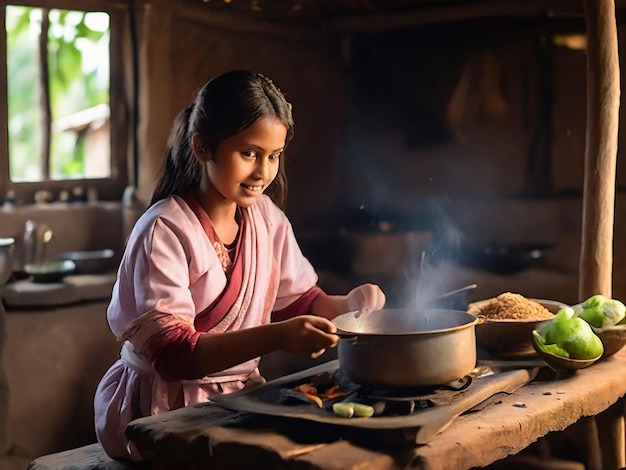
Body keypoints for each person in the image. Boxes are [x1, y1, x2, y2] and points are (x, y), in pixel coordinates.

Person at [94, 70, 386, 461]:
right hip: (160, 414)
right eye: (248, 153)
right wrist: (278, 337)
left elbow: (298, 302)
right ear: (203, 148)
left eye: (274, 156)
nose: (263, 172)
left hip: (238, 401)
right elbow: (173, 355)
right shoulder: (164, 229)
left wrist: (349, 305)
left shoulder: (267, 219)